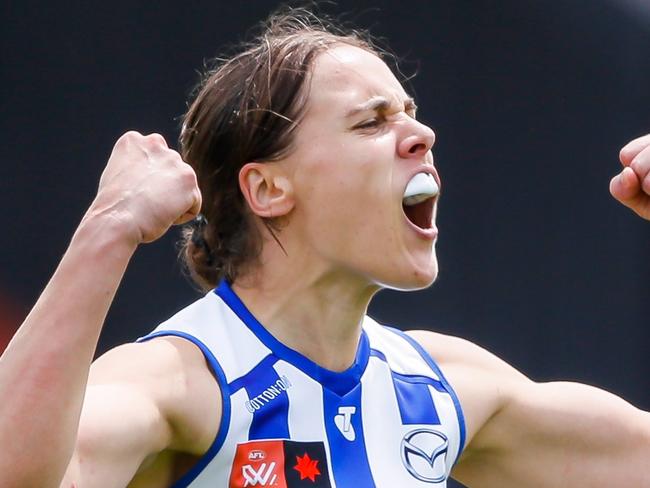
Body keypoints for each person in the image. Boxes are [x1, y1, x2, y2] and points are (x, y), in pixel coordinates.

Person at [1, 10, 649, 488]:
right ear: (268, 187)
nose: (422, 133)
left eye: (411, 113)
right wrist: (108, 227)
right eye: (371, 121)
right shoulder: (183, 380)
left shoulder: (445, 387)